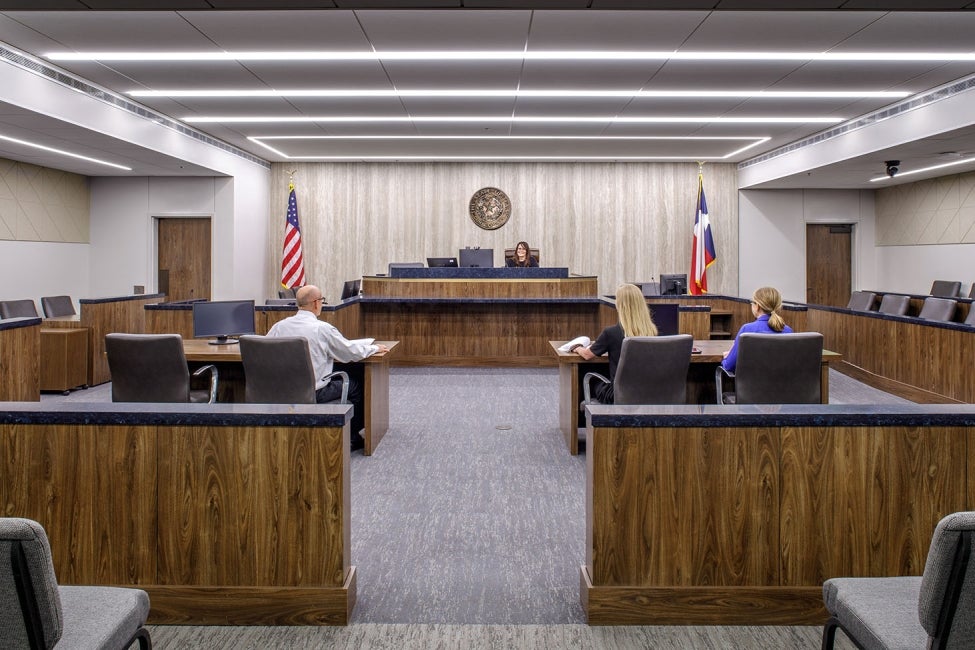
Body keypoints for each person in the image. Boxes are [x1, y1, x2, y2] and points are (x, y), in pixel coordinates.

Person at [267, 284, 389, 451]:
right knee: (355, 386)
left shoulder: (279, 327)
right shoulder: (322, 329)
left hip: (279, 391)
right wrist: (374, 348)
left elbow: (265, 350)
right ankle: (350, 436)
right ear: (316, 303)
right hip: (314, 392)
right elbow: (350, 353)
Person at [575, 283, 657, 404]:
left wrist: (577, 348)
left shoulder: (611, 333)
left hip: (617, 394)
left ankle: (585, 421)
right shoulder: (652, 332)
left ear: (620, 306)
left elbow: (587, 355)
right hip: (647, 391)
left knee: (587, 375)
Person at [721, 286, 792, 373]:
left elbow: (729, 366)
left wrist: (727, 357)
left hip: (751, 386)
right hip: (783, 385)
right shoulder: (788, 331)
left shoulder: (747, 330)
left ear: (757, 306)